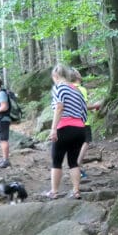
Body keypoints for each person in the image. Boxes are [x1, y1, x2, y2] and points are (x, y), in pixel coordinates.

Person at [45, 64, 88, 199]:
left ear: (55, 76)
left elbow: (59, 107)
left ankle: (54, 191)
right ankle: (76, 191)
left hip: (64, 128)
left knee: (56, 161)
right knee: (73, 162)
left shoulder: (59, 87)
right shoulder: (77, 90)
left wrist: (53, 129)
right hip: (80, 129)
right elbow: (84, 112)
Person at [71, 69, 102, 180]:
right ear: (77, 76)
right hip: (83, 122)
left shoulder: (67, 89)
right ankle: (77, 166)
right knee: (86, 142)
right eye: (78, 73)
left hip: (70, 122)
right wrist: (95, 105)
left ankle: (77, 169)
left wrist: (93, 110)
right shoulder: (81, 89)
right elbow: (83, 106)